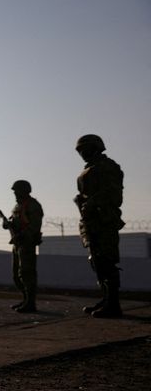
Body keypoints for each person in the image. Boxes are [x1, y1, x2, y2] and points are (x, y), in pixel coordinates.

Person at [74, 134, 124, 318]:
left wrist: (94, 202)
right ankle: (106, 299)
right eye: (80, 150)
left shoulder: (108, 167)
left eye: (85, 149)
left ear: (96, 147)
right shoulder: (89, 169)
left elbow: (115, 195)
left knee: (106, 261)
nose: (82, 153)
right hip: (90, 221)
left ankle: (113, 304)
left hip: (104, 220)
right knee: (96, 262)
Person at [2, 180, 43, 313]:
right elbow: (15, 222)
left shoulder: (33, 205)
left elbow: (35, 226)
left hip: (27, 243)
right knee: (17, 274)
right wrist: (7, 224)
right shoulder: (17, 207)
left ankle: (31, 303)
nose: (15, 193)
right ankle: (25, 299)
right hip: (17, 243)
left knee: (27, 273)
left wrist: (23, 235)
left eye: (17, 190)